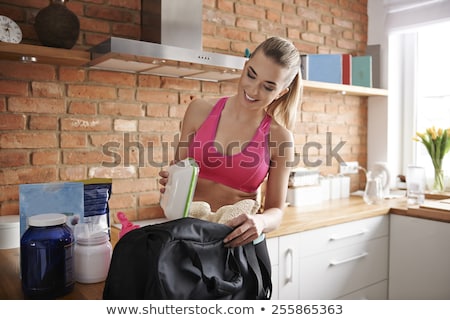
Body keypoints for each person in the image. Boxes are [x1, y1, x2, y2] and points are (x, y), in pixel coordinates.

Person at [159, 36, 302, 248]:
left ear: (281, 93)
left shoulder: (279, 137)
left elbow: (276, 211)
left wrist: (261, 221)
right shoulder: (199, 110)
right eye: (251, 75)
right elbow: (180, 171)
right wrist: (170, 183)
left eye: (268, 87)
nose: (253, 90)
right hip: (187, 235)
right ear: (245, 66)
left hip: (234, 243)